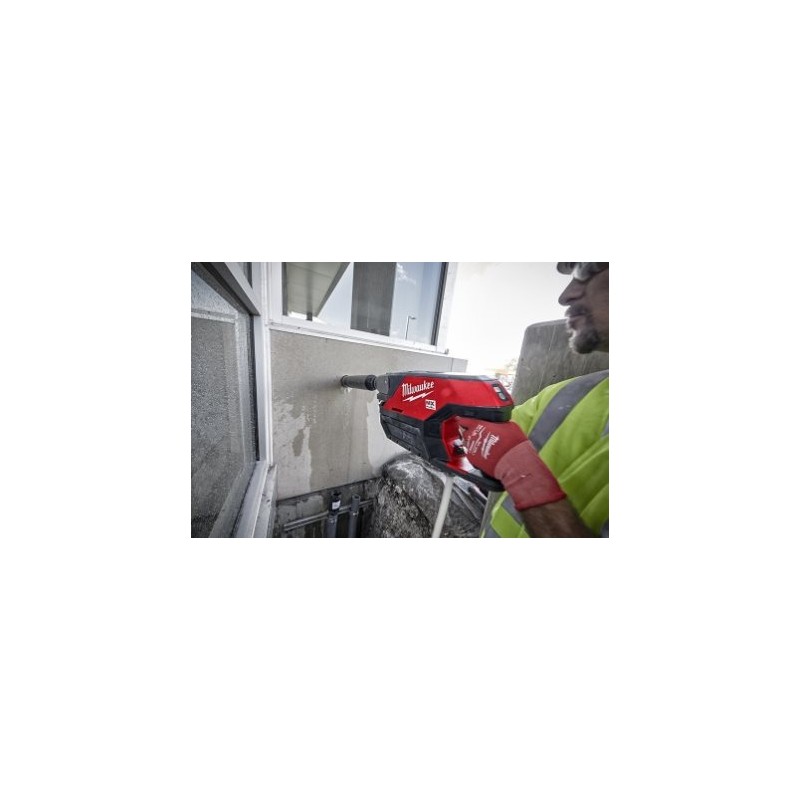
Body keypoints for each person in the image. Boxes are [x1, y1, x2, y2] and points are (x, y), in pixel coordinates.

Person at [456, 262, 609, 538]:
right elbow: (486, 426)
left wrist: (520, 472)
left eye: (585, 270)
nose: (566, 296)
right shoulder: (570, 393)